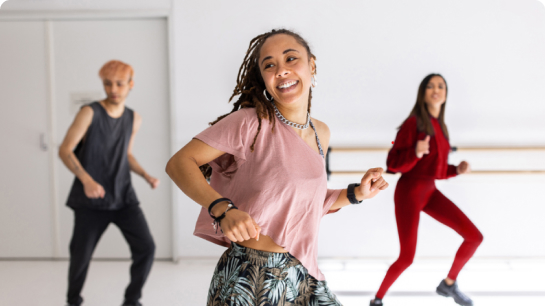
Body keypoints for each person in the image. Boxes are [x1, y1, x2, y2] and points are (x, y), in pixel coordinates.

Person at [166, 29, 389, 306]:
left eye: (291, 58)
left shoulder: (321, 132)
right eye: (269, 65)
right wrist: (222, 209)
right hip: (250, 277)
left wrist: (357, 193)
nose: (281, 70)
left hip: (301, 272)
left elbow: (306, 202)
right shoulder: (250, 122)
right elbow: (179, 163)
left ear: (312, 65)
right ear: (264, 79)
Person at [370, 74, 484, 306]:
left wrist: (457, 170)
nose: (436, 90)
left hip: (430, 190)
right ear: (422, 92)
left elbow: (438, 171)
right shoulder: (413, 123)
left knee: (474, 236)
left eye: (441, 86)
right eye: (430, 86)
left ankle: (449, 284)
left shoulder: (441, 127)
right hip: (409, 192)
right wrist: (415, 152)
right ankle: (377, 300)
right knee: (407, 257)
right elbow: (392, 163)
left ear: (445, 94)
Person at [58, 60, 159, 306]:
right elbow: (65, 150)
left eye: (119, 83)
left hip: (123, 197)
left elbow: (127, 155)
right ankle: (73, 301)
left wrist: (145, 175)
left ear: (130, 85)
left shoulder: (134, 118)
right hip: (91, 200)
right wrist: (87, 180)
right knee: (80, 257)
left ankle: (131, 300)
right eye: (107, 83)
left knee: (146, 248)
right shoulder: (89, 112)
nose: (113, 89)